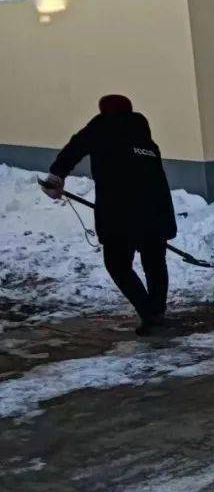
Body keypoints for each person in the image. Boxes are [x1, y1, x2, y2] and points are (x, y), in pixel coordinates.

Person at [40, 95, 176, 336]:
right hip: (155, 211)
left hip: (119, 213)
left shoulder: (102, 127)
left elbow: (75, 147)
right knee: (155, 264)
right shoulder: (145, 139)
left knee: (117, 264)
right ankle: (157, 312)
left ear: (104, 112)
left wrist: (56, 177)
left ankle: (150, 313)